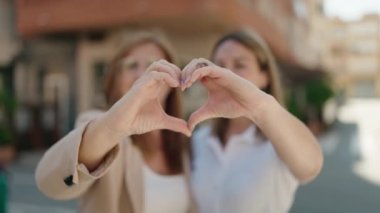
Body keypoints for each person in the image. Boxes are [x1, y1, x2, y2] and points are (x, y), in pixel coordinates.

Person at [35, 32, 195, 213]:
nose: (143, 74)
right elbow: (49, 182)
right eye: (131, 65)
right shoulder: (98, 125)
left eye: (154, 64)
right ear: (116, 79)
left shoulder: (187, 145)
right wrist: (114, 127)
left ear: (173, 83)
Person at [181, 29, 323, 213]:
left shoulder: (279, 140)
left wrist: (258, 107)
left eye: (239, 65)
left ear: (264, 77)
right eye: (219, 65)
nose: (227, 74)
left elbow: (310, 167)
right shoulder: (199, 139)